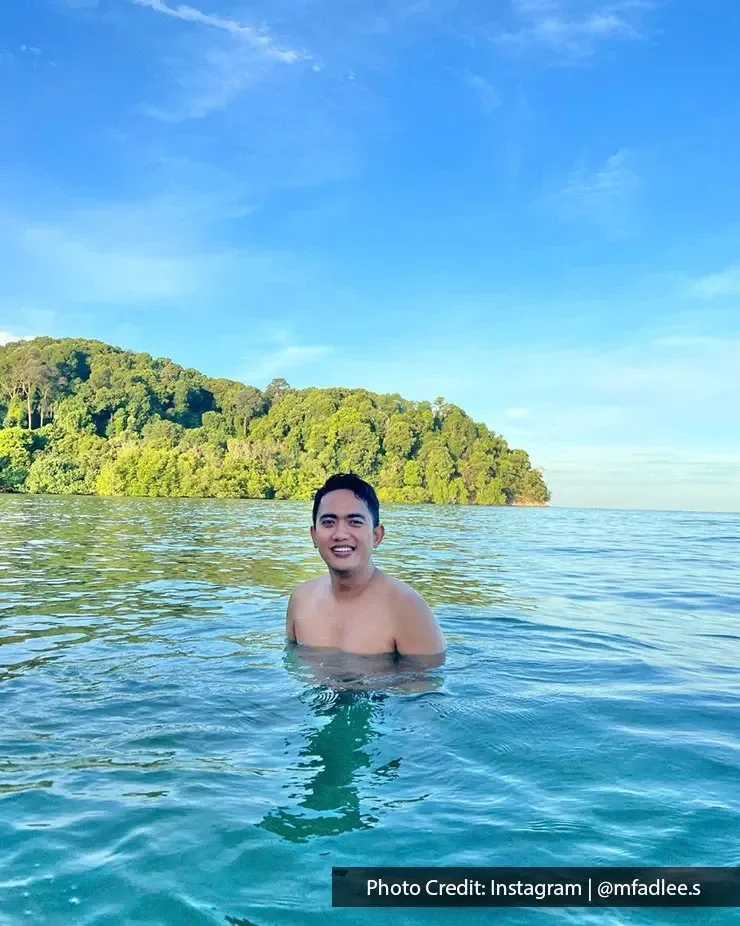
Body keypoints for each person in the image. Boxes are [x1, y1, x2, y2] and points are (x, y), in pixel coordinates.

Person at [285, 473, 445, 658]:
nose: (340, 534)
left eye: (355, 522)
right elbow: (293, 667)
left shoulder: (408, 610)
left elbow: (427, 684)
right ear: (314, 535)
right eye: (329, 522)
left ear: (377, 535)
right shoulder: (301, 600)